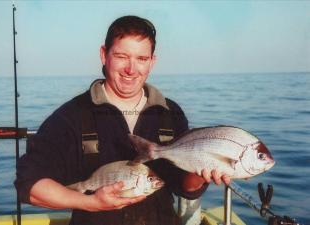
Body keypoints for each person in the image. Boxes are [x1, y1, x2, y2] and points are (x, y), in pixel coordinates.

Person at [15, 15, 230, 225]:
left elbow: (184, 186)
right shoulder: (72, 115)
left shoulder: (170, 113)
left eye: (141, 59)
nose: (131, 69)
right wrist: (90, 202)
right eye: (121, 56)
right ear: (103, 55)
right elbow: (29, 184)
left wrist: (203, 174)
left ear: (152, 62)